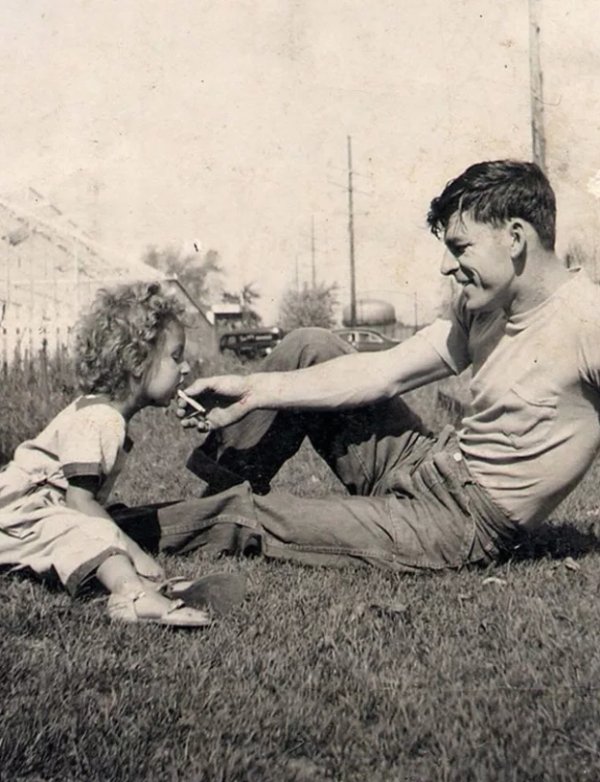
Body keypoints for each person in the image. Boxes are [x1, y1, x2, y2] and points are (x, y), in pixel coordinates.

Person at [113, 160, 600, 574]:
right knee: (309, 344)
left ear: (515, 238)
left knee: (255, 515)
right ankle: (210, 496)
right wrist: (253, 389)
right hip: (426, 462)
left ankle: (98, 532)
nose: (446, 267)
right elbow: (382, 372)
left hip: (461, 521)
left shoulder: (587, 320)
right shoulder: (484, 307)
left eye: (460, 247)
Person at [0, 282, 213, 626]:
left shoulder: (103, 413)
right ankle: (133, 593)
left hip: (32, 513)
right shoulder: (100, 418)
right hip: (20, 516)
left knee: (108, 520)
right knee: (96, 530)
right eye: (176, 357)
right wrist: (135, 551)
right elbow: (79, 502)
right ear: (136, 361)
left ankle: (145, 585)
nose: (185, 368)